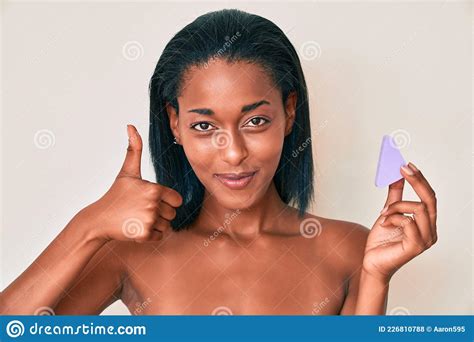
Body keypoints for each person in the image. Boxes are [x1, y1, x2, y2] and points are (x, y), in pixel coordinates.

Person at [0, 9, 437, 315]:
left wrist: (376, 277)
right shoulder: (131, 251)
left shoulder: (348, 250)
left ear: (289, 113)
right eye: (205, 126)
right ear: (174, 123)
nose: (233, 153)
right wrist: (89, 223)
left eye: (255, 120)